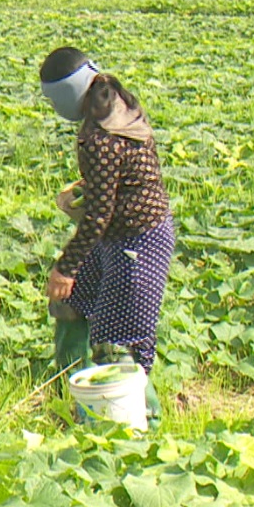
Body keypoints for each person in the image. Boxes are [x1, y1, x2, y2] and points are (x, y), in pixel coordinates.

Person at [39, 46, 174, 428]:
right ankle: (70, 391)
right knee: (73, 302)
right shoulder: (116, 103)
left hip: (138, 242)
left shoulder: (98, 136)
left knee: (118, 341)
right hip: (122, 236)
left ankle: (143, 425)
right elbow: (118, 183)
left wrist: (64, 267)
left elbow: (99, 215)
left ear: (65, 93)